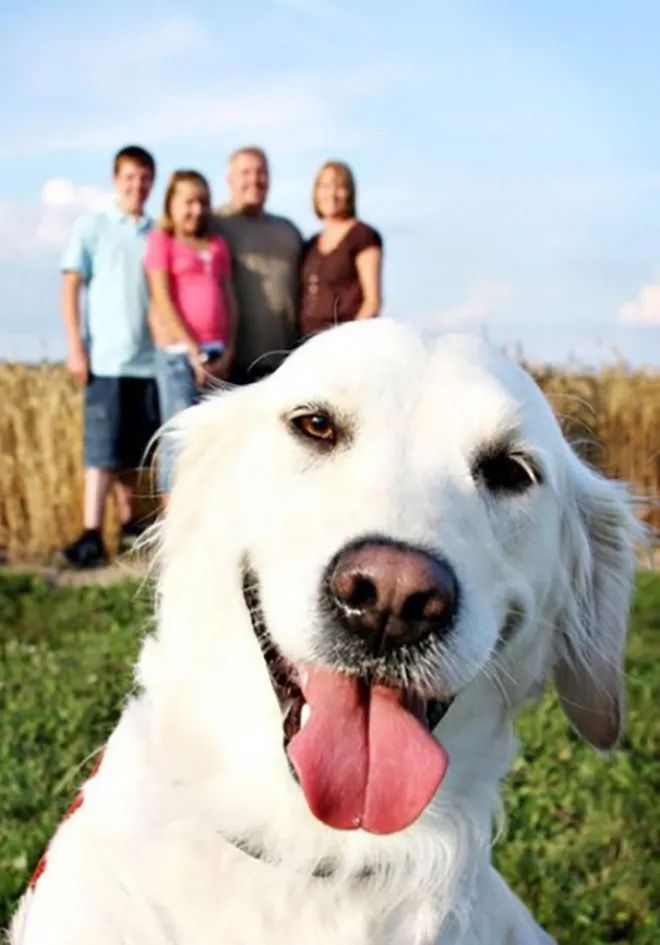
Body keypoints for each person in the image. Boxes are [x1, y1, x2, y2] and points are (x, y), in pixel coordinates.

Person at [59, 145, 160, 568]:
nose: (136, 186)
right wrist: (76, 346)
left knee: (134, 453)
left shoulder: (159, 232)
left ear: (151, 183)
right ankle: (91, 533)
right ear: (115, 180)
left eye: (143, 178)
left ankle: (131, 525)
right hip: (105, 359)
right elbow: (71, 287)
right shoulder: (92, 227)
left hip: (150, 359)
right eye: (129, 177)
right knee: (101, 452)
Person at [145, 169, 237, 493]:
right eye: (188, 202)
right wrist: (191, 348)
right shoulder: (162, 242)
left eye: (202, 202)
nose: (196, 210)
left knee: (212, 436)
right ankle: (171, 516)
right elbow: (162, 297)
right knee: (179, 431)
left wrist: (230, 349)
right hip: (179, 355)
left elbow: (229, 298)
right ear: (171, 204)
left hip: (216, 352)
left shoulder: (216, 245)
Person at [213, 147, 302, 383]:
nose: (254, 180)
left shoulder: (288, 231)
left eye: (261, 172)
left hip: (282, 364)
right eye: (245, 173)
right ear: (229, 180)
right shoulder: (214, 226)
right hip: (228, 364)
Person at [299, 161, 383, 338]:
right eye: (325, 186)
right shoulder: (311, 244)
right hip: (308, 342)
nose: (332, 194)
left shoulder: (362, 236)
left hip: (344, 344)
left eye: (339, 187)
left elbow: (372, 301)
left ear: (350, 193)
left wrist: (347, 342)